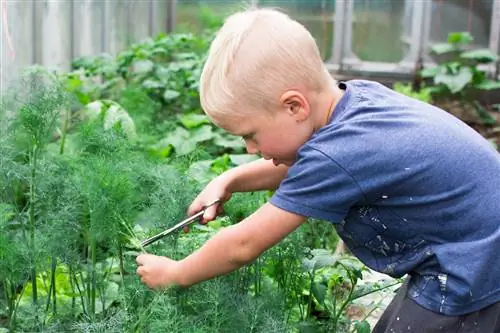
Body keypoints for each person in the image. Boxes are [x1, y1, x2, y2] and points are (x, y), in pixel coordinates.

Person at [135, 7, 500, 332]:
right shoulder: (356, 100)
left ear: (294, 106)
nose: (250, 149)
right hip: (472, 241)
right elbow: (312, 165)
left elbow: (243, 245)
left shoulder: (339, 153)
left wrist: (176, 274)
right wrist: (232, 179)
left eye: (250, 135)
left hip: (472, 266)